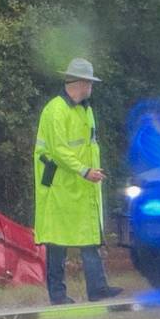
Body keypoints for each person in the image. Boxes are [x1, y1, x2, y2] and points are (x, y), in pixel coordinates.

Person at [33, 58, 123, 305]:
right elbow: (59, 151)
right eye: (90, 83)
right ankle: (58, 295)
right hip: (60, 187)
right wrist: (85, 171)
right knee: (57, 241)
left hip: (81, 186)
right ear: (81, 83)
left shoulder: (85, 110)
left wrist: (88, 173)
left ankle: (98, 288)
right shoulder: (55, 111)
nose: (91, 88)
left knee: (88, 238)